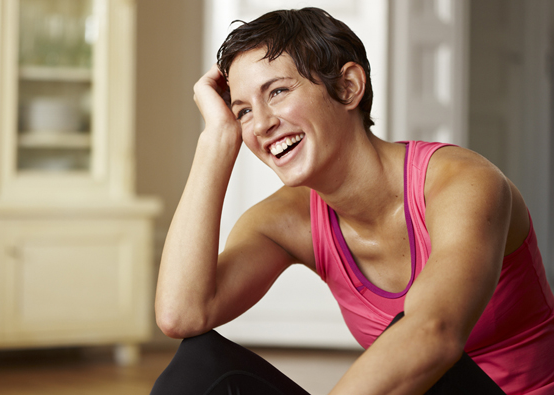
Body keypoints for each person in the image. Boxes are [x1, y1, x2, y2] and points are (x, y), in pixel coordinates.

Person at [151, 7, 554, 395]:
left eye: (277, 91)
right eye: (242, 111)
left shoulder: (463, 183)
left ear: (347, 87)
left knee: (418, 351)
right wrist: (216, 139)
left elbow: (434, 335)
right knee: (198, 363)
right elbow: (183, 315)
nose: (261, 124)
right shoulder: (286, 220)